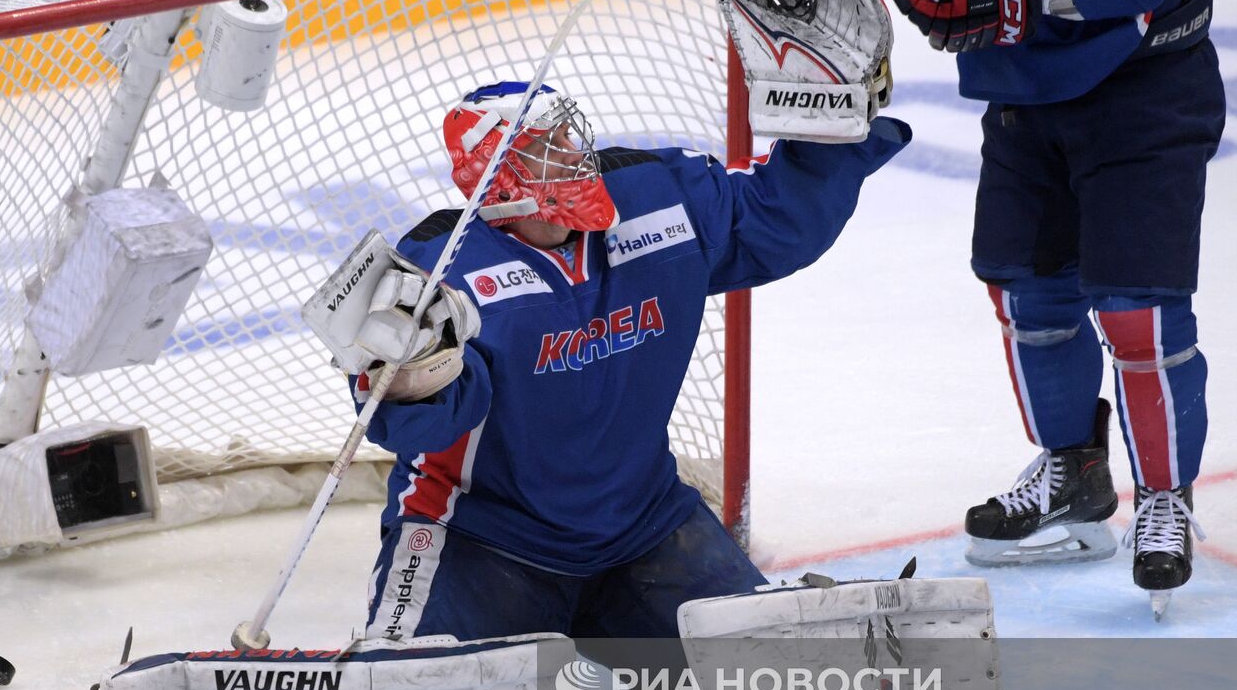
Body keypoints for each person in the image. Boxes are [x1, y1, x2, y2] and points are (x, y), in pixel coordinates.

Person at [344, 80, 908, 643]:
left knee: (775, 680)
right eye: (546, 145)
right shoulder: (435, 273)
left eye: (568, 132)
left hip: (645, 527)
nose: (572, 151)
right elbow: (420, 425)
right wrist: (404, 375)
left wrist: (834, 115)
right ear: (498, 176)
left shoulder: (657, 197)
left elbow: (774, 217)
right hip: (483, 544)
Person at [889, 0, 1222, 616]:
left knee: (1139, 314)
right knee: (1025, 290)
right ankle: (1073, 468)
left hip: (1145, 82)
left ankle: (1165, 497)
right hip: (1035, 79)